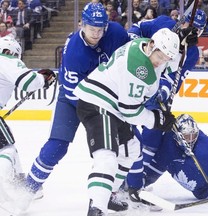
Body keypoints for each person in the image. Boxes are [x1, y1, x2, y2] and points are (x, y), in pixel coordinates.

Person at [21, 2, 131, 215]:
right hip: (74, 100)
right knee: (57, 146)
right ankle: (28, 189)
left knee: (118, 147)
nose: (97, 34)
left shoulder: (115, 32)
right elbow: (77, 95)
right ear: (82, 24)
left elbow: (130, 57)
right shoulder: (73, 52)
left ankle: (111, 192)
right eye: (92, 29)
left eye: (101, 29)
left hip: (105, 98)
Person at [73, 27, 180, 216]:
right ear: (152, 46)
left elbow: (169, 64)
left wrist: (183, 45)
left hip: (114, 106)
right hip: (99, 104)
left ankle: (110, 195)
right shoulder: (138, 69)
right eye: (161, 57)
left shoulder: (145, 45)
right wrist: (156, 119)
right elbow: (130, 112)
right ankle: (96, 207)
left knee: (130, 149)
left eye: (166, 58)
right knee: (106, 156)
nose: (162, 62)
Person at [0, 36, 55, 214]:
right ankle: (6, 184)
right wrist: (43, 79)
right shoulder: (7, 60)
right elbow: (28, 82)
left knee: (9, 148)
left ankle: (19, 182)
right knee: (7, 149)